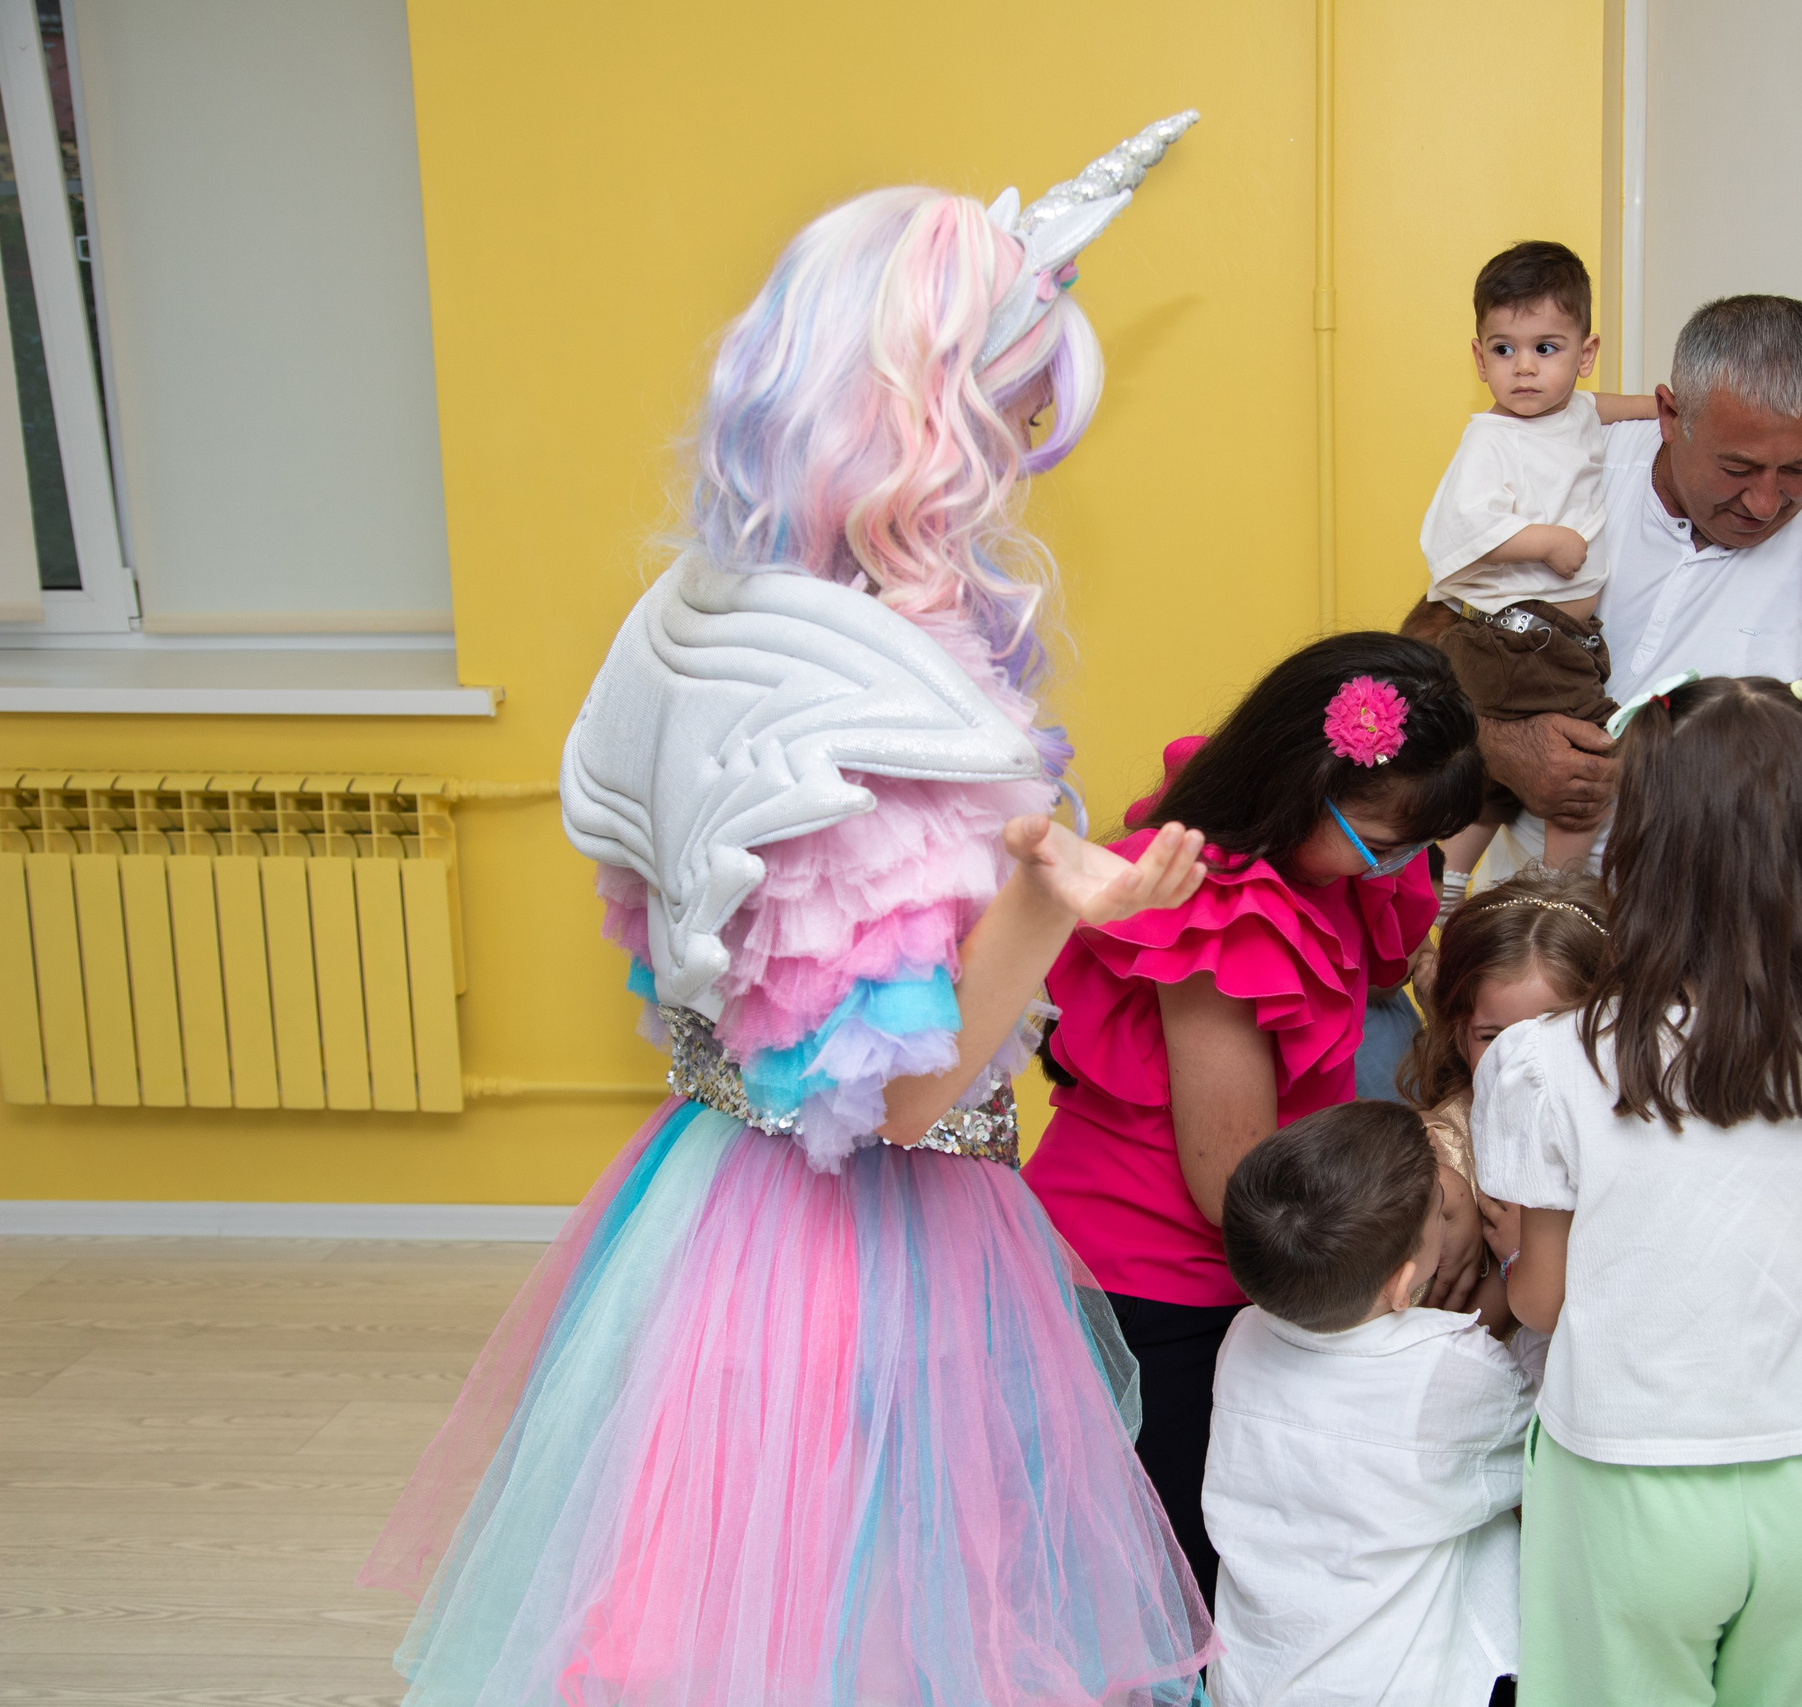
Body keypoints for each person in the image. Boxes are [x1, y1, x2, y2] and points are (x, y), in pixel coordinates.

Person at [359, 118, 1223, 1704]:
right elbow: (895, 1095)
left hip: (717, 1203)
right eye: (1014, 416)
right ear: (926, 427)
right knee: (861, 1620)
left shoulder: (710, 619)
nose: (1027, 459)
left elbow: (694, 979)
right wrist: (1059, 900)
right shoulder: (854, 713)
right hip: (854, 1252)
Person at [1477, 673, 1802, 1707]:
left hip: (1624, 1475)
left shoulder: (1545, 1064)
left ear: (1644, 846)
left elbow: (1542, 1301)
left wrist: (1511, 1244)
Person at [1025, 632, 1486, 1605]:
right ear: (1300, 783)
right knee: (1164, 1588)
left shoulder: (1324, 864)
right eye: (1381, 842)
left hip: (1229, 1277)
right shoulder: (1221, 911)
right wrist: (1416, 1192)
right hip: (1150, 1291)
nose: (1391, 869)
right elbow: (1235, 1182)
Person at [1427, 293, 1802, 875]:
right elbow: (1437, 631)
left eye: (1799, 469)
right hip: (1534, 928)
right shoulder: (1567, 459)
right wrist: (1501, 744)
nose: (1765, 502)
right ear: (1669, 416)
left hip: (1729, 923)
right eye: (1737, 468)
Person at [1204, 1101, 1539, 1707]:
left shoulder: (1243, 1337)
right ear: (1404, 1280)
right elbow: (1539, 1433)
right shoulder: (1444, 1369)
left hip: (1259, 1677)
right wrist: (1522, 1262)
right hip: (1398, 1685)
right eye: (1441, 1210)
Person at [1420, 242, 1657, 892]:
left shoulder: (1571, 410)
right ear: (1479, 356)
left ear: (1584, 355)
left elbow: (1599, 407)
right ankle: (1558, 888)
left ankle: (1444, 880)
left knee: (1500, 781)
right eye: (1504, 350)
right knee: (1588, 758)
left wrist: (1655, 407)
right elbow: (1468, 525)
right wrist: (1547, 541)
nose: (1524, 369)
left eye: (1546, 349)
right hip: (1518, 635)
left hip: (1545, 635)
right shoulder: (1492, 440)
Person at [1398, 867, 1610, 1314]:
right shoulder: (1439, 1154)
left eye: (1552, 1037)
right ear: (1459, 1033)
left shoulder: (1627, 1134)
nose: (1518, 1066)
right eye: (1493, 1038)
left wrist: (1527, 1253)